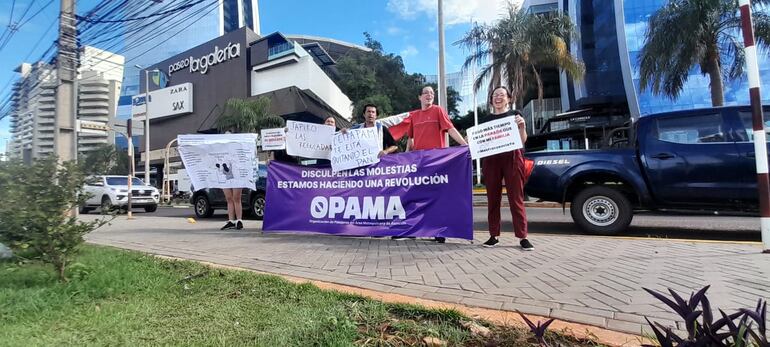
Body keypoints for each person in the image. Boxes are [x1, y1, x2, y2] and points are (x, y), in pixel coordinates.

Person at [403, 85, 468, 243]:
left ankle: (439, 231)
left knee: (437, 197)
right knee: (418, 197)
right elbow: (410, 140)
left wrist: (464, 145)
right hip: (419, 162)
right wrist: (405, 159)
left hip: (437, 162)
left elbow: (450, 129)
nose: (429, 95)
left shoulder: (438, 111)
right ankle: (414, 229)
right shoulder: (414, 116)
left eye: (432, 93)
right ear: (419, 97)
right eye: (426, 93)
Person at [480, 86, 533, 251]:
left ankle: (523, 237)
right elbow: (482, 142)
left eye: (502, 95)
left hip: (512, 158)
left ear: (508, 99)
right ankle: (493, 235)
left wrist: (522, 126)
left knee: (516, 199)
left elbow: (522, 140)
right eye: (495, 95)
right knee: (493, 199)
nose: (498, 97)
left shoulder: (515, 116)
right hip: (491, 160)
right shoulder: (486, 120)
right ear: (491, 100)